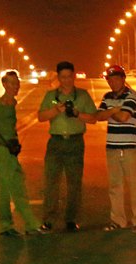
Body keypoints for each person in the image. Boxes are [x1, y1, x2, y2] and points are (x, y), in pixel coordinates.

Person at [37, 61, 97, 232]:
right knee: (51, 182)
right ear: (58, 77)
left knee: (74, 183)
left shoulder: (83, 95)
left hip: (75, 142)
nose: (66, 80)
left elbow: (93, 118)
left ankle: (71, 220)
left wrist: (78, 114)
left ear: (74, 75)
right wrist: (56, 110)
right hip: (55, 142)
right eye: (63, 77)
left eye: (69, 76)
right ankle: (48, 220)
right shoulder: (51, 96)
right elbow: (41, 116)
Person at [0, 70, 41, 237]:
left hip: (10, 152)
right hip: (2, 152)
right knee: (17, 187)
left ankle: (5, 225)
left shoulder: (12, 104)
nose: (15, 87)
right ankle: (31, 224)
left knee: (3, 190)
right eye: (11, 83)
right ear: (4, 84)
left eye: (17, 83)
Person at [97, 65, 136, 233]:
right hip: (112, 146)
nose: (113, 82)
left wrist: (110, 112)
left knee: (134, 184)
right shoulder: (107, 96)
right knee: (115, 186)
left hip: (129, 147)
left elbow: (124, 117)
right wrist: (114, 110)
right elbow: (98, 116)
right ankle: (118, 220)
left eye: (116, 78)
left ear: (123, 79)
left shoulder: (131, 96)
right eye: (110, 79)